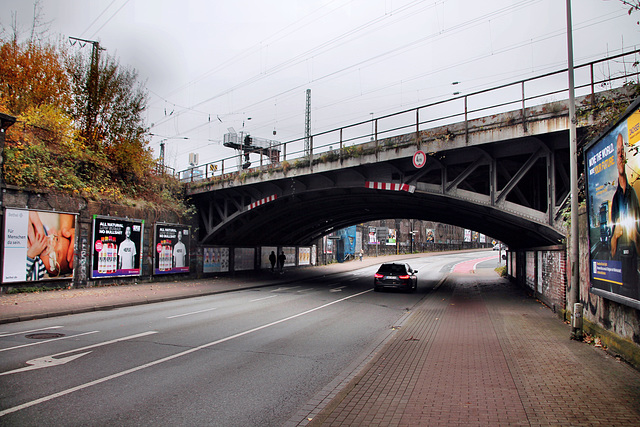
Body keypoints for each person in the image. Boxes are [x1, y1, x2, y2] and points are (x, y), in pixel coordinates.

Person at [610, 133, 640, 298]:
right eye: (618, 153)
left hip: (635, 281)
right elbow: (611, 252)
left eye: (623, 152)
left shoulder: (633, 195)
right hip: (620, 281)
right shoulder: (616, 199)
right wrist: (615, 236)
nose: (620, 155)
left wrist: (635, 236)